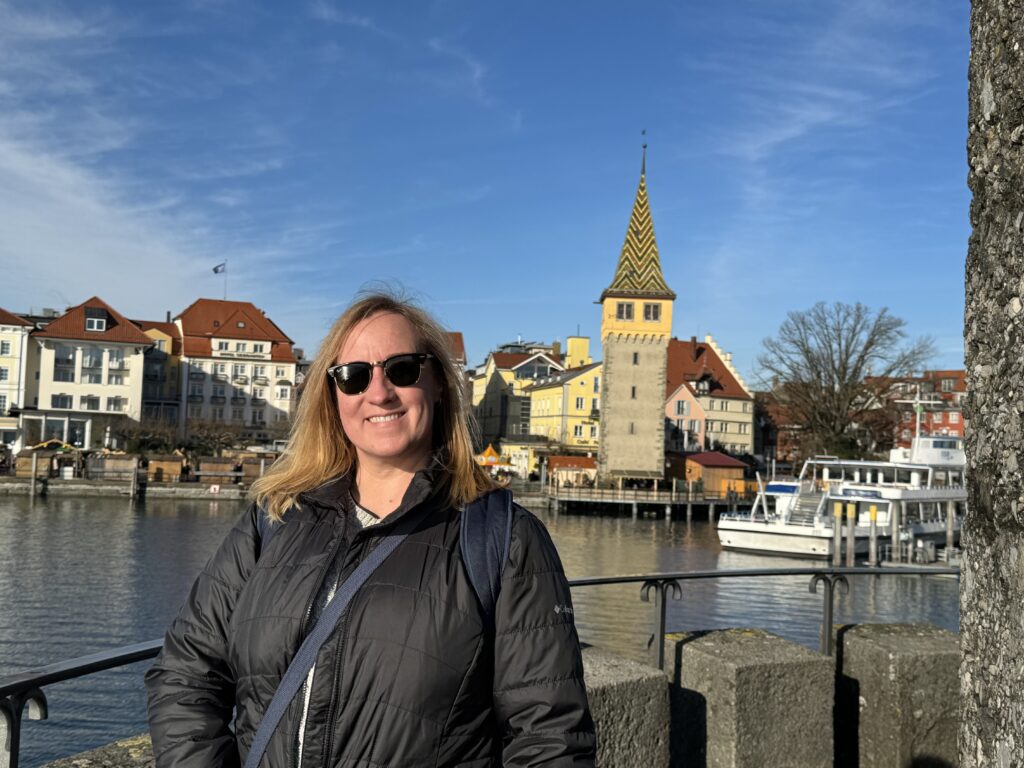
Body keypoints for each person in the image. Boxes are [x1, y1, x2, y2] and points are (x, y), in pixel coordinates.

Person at [145, 291, 595, 767]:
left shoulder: (501, 540)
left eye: (402, 369)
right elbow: (185, 672)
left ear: (439, 383)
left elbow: (550, 740)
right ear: (332, 395)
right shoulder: (276, 517)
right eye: (354, 377)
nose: (378, 392)